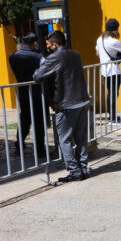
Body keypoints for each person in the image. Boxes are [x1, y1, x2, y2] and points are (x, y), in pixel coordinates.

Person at [33, 31, 91, 183]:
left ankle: (75, 171)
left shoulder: (54, 57)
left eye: (48, 45)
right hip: (82, 100)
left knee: (64, 139)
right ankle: (83, 169)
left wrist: (41, 65)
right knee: (81, 138)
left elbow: (38, 76)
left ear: (54, 44)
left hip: (67, 104)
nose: (47, 47)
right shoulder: (76, 54)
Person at [8, 33, 48, 157]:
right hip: (38, 92)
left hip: (23, 92)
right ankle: (40, 150)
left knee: (24, 119)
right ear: (35, 43)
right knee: (39, 122)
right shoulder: (39, 57)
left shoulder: (12, 56)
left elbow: (13, 71)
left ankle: (19, 145)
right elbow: (44, 73)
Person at [95, 19, 121, 123]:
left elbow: (97, 53)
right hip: (114, 71)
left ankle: (112, 115)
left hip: (104, 71)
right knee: (114, 94)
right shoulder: (114, 41)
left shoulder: (99, 39)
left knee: (110, 93)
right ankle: (113, 117)